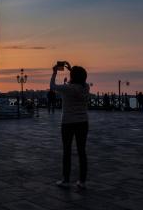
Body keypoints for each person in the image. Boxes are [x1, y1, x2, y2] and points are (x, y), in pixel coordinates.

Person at [50, 61, 90, 189]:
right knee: (81, 151)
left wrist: (55, 72)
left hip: (68, 122)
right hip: (83, 122)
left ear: (72, 76)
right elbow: (79, 78)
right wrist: (71, 68)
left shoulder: (67, 88)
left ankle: (66, 179)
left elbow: (52, 86)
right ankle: (82, 181)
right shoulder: (86, 87)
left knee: (67, 151)